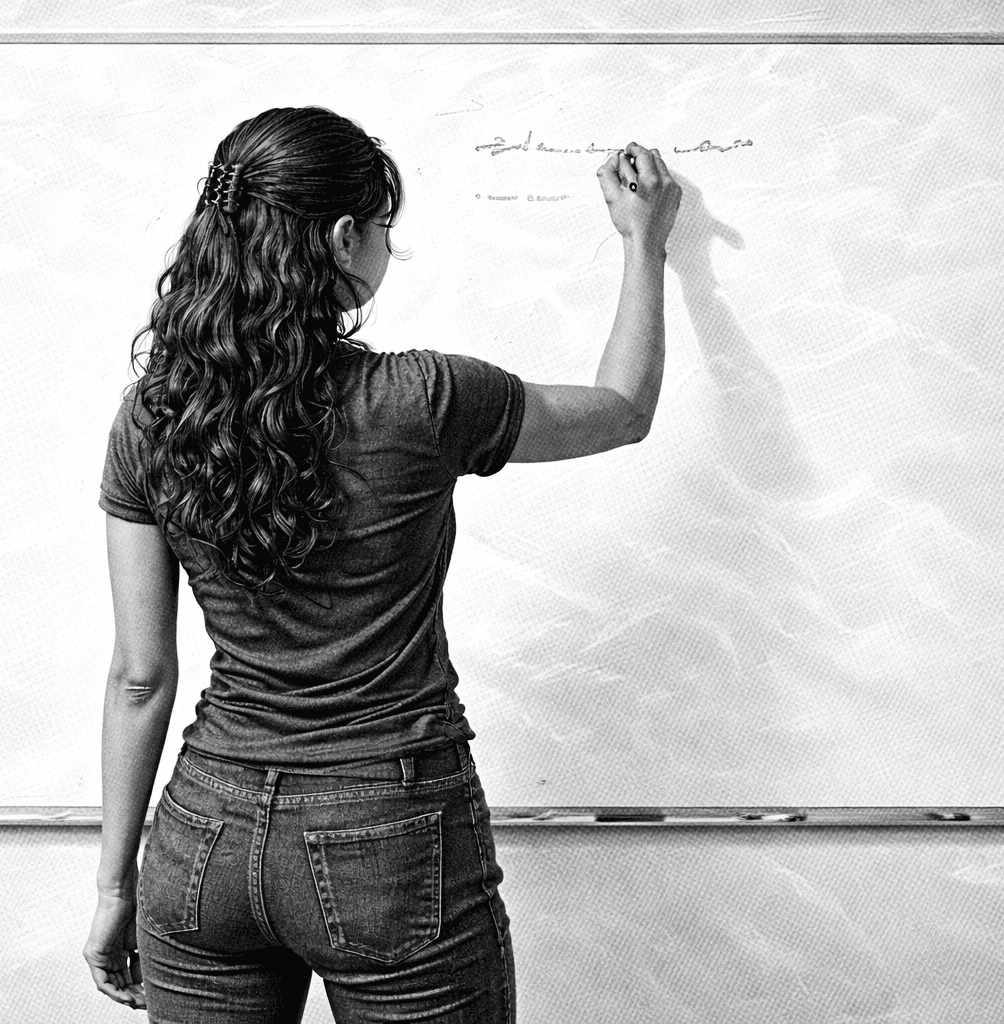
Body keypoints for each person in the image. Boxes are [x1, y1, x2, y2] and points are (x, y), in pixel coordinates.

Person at [84, 106, 680, 1023]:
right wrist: (644, 242)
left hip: (204, 832)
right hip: (390, 833)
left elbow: (139, 677)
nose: (386, 250)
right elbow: (622, 408)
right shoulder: (424, 399)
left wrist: (114, 887)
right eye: (383, 230)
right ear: (341, 238)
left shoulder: (154, 419)